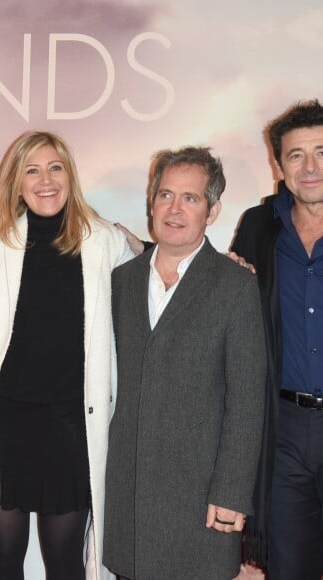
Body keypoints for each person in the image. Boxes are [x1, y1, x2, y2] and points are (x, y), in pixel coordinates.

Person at [0, 130, 133, 580]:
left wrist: (232, 262)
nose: (45, 180)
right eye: (31, 170)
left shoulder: (104, 240)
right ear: (15, 182)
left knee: (64, 559)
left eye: (55, 167)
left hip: (71, 425)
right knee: (1, 554)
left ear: (70, 176)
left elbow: (164, 269)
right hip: (7, 420)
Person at [103, 146, 267, 580]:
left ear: (212, 211)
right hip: (129, 496)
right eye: (165, 195)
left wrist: (232, 490)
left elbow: (247, 399)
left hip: (201, 499)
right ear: (151, 202)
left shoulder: (235, 285)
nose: (174, 209)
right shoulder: (122, 280)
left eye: (190, 199)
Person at [231, 99, 323, 580]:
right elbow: (219, 294)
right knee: (289, 569)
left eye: (322, 151)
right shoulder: (258, 227)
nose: (310, 167)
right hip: (283, 428)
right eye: (296, 155)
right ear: (278, 165)